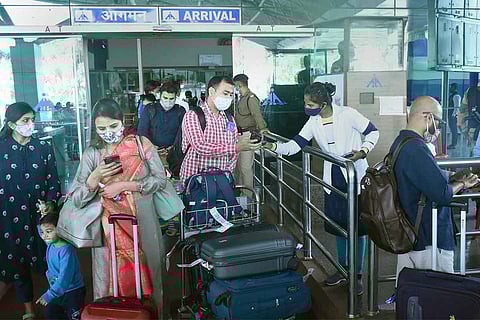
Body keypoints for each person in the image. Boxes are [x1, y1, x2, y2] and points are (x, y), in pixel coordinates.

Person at [264, 82, 379, 294]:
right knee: (338, 227)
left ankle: (357, 275)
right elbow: (294, 145)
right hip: (332, 177)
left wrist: (363, 151)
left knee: (358, 229)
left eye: (310, 103)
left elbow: (373, 132)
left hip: (354, 175)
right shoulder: (313, 121)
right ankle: (343, 270)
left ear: (323, 103)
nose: (307, 107)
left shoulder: (348, 114)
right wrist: (272, 146)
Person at [68, 98, 168, 317]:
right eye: (101, 128)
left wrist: (125, 185)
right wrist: (93, 179)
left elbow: (160, 180)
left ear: (122, 122)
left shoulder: (142, 145)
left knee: (151, 274)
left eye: (113, 126)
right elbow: (76, 198)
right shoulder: (92, 154)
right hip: (107, 231)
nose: (108, 132)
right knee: (108, 280)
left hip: (143, 223)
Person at [392, 96, 479, 276]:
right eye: (438, 121)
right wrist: (463, 183)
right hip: (428, 237)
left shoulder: (401, 142)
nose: (438, 128)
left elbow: (420, 176)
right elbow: (442, 194)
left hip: (410, 229)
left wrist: (451, 176)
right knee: (438, 294)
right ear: (428, 117)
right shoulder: (416, 149)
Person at [0, 102, 62, 320]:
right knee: (18, 264)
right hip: (9, 216)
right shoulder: (1, 150)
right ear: (11, 124)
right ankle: (29, 310)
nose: (30, 124)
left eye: (32, 119)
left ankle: (55, 302)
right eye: (25, 120)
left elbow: (54, 181)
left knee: (51, 260)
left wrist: (51, 204)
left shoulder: (42, 148)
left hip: (40, 215)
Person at [180, 76, 262, 184]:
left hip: (222, 180)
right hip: (196, 180)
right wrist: (235, 147)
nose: (228, 98)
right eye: (225, 93)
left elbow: (233, 148)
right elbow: (200, 146)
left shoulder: (230, 120)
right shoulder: (193, 116)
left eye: (231, 95)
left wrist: (228, 172)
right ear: (211, 91)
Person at [36, 212, 85, 320]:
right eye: (43, 232)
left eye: (48, 232)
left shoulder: (66, 251)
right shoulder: (51, 244)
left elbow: (65, 278)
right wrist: (42, 215)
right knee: (51, 314)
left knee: (73, 317)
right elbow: (41, 228)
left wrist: (50, 294)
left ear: (61, 229)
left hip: (73, 292)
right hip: (57, 290)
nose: (44, 235)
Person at [233, 73, 268, 194]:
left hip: (248, 135)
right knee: (238, 168)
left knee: (245, 167)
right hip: (239, 135)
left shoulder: (251, 98)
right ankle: (240, 193)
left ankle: (248, 197)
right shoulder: (241, 99)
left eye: (235, 85)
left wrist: (263, 128)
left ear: (239, 85)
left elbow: (257, 115)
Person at [137, 81, 185, 164]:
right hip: (151, 154)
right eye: (165, 98)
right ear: (160, 96)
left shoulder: (180, 111)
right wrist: (152, 147)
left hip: (174, 155)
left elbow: (183, 133)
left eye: (171, 99)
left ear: (175, 98)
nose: (168, 102)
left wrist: (173, 147)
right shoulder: (150, 109)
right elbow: (142, 131)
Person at [459, 82, 480, 149]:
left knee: (475, 156)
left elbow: (462, 112)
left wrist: (464, 130)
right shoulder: (471, 91)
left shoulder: (471, 91)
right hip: (474, 132)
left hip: (473, 133)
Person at [447, 83, 461, 149]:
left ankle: (454, 144)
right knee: (452, 130)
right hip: (451, 115)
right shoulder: (452, 95)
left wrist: (454, 115)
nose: (450, 89)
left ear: (454, 88)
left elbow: (457, 106)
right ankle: (452, 143)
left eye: (451, 87)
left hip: (453, 116)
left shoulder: (456, 96)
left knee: (454, 130)